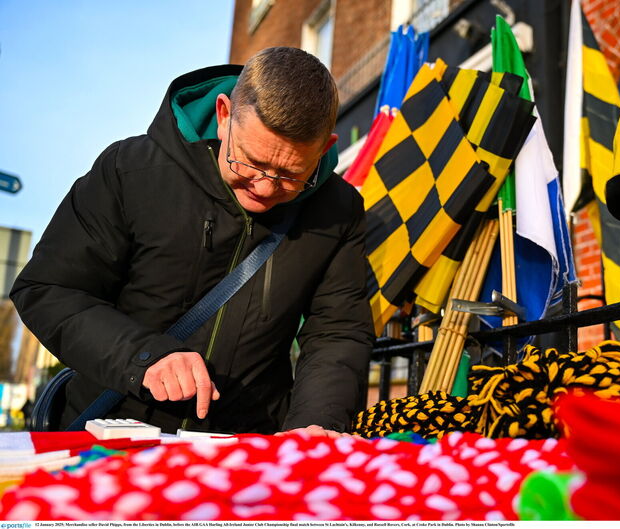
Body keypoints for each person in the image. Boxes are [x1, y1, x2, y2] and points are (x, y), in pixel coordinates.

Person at [11, 47, 375, 436]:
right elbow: (49, 289)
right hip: (114, 436)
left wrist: (315, 425)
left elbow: (336, 332)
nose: (266, 188)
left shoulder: (339, 209)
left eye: (291, 174)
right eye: (250, 162)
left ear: (324, 148)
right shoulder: (130, 170)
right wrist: (144, 357)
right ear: (223, 115)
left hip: (246, 449)